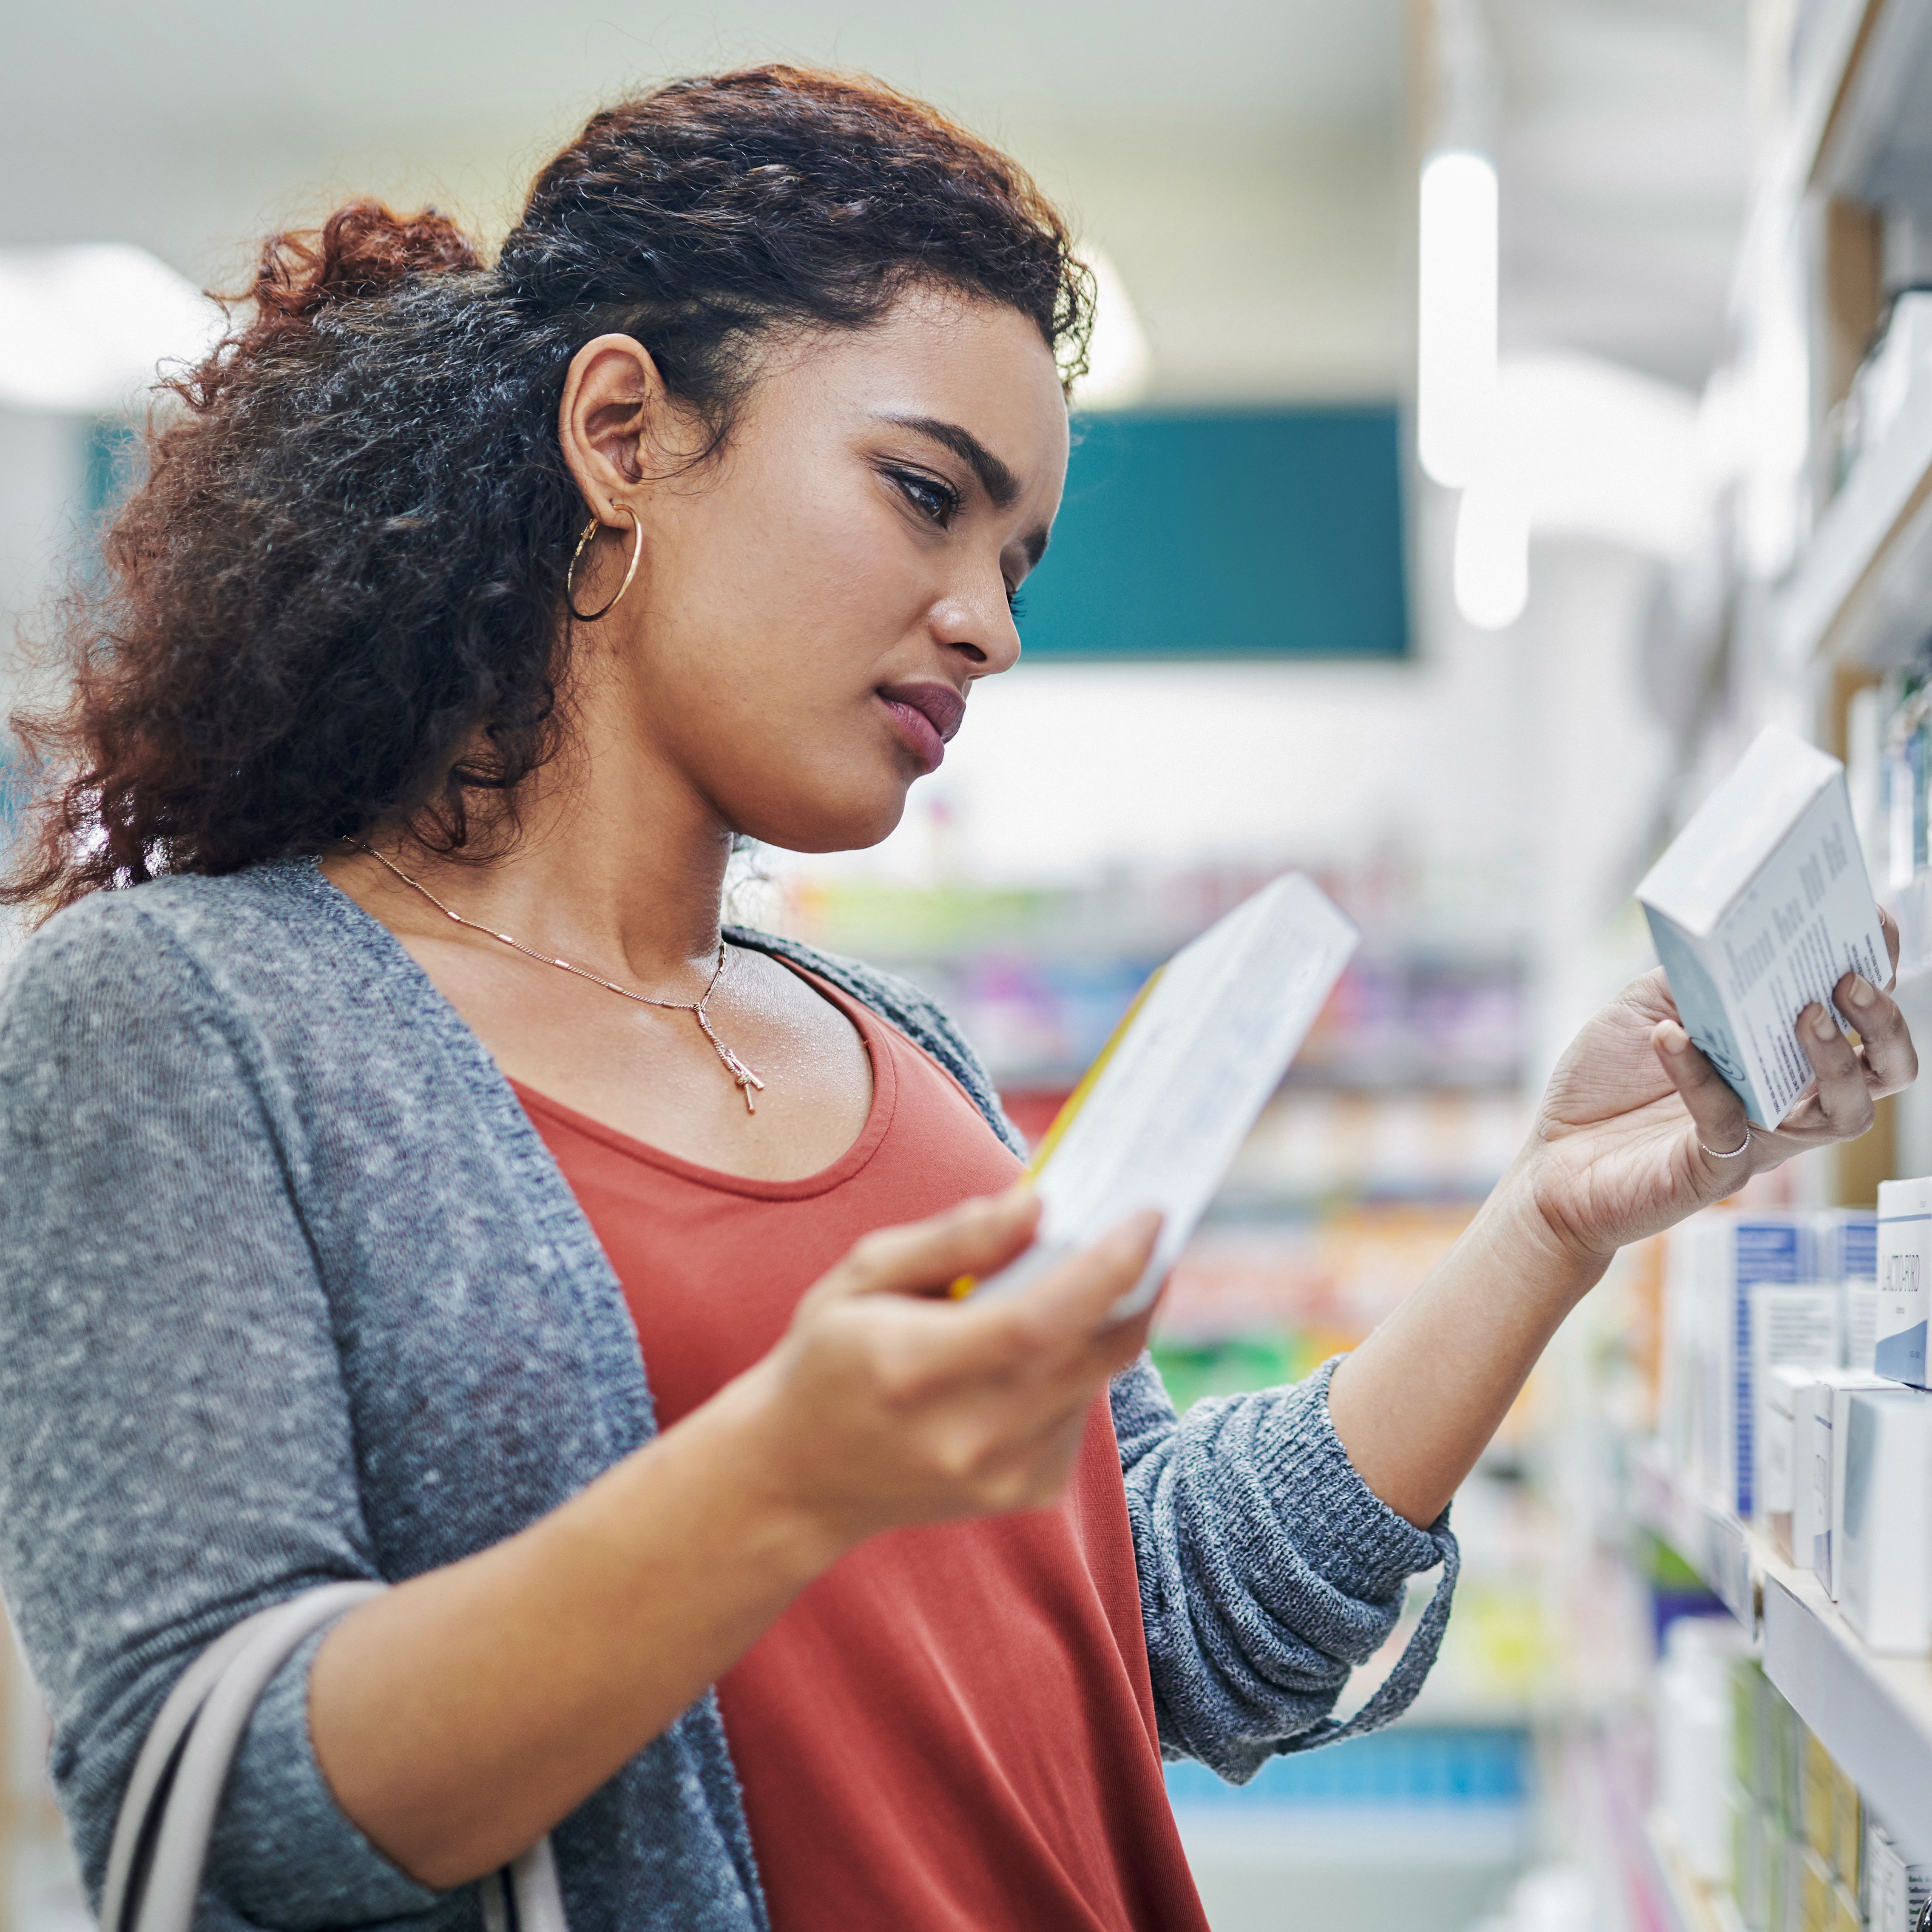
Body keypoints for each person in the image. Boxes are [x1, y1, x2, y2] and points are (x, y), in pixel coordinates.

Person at [0, 64, 1913, 1932]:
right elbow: (209, 1803)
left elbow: (1156, 1615)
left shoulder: (891, 1047)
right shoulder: (186, 1020)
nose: (990, 621)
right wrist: (775, 1479)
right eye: (924, 494)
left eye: (1016, 556)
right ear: (621, 432)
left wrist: (1541, 1217)